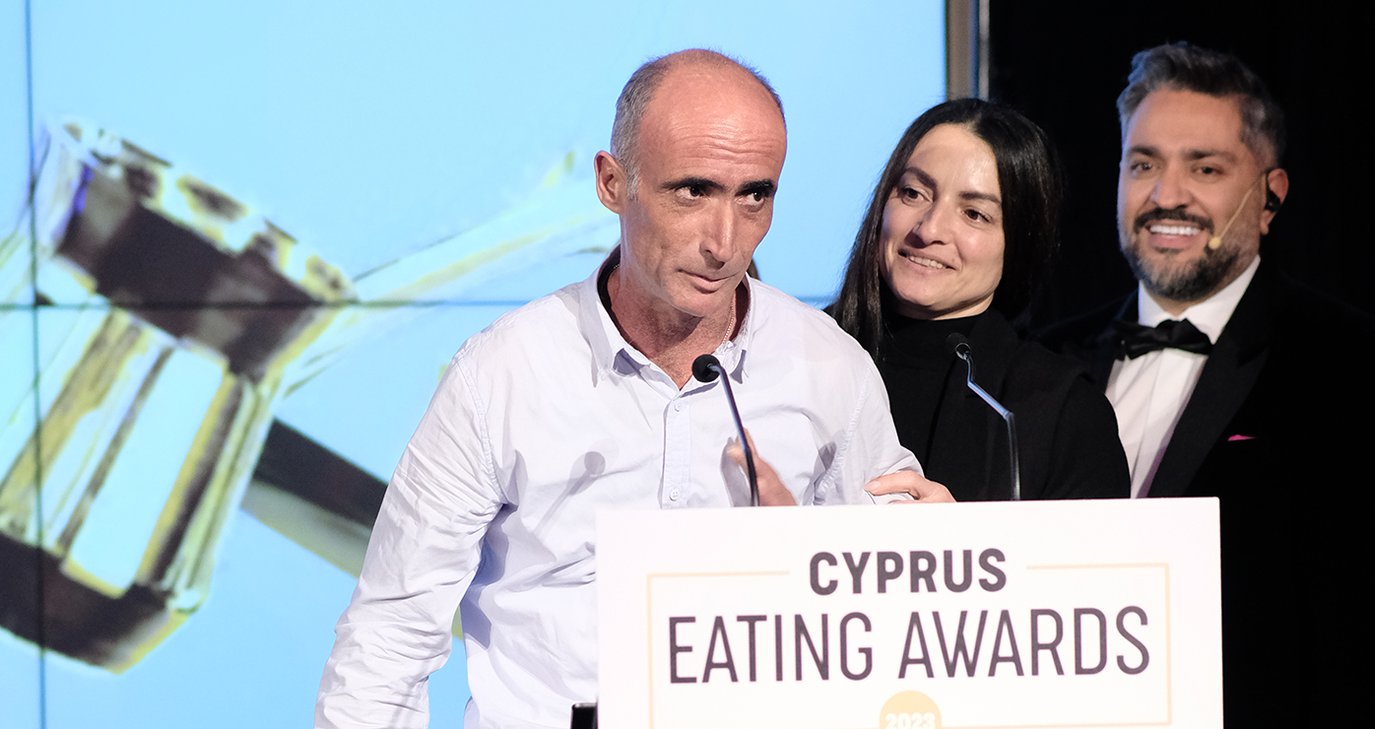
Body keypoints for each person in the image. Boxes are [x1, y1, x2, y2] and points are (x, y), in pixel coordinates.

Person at [315, 49, 949, 729]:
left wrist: (930, 559)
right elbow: (390, 636)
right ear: (612, 183)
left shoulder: (827, 368)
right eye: (693, 191)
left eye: (754, 195)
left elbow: (897, 623)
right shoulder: (501, 374)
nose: (724, 242)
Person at [1038, 42, 1374, 724]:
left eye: (1206, 168)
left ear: (1270, 197)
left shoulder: (1348, 364)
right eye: (1144, 165)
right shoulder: (1041, 360)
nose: (1166, 196)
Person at [830, 98, 1129, 502]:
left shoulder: (1063, 410)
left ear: (1019, 242)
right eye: (914, 193)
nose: (929, 229)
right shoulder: (796, 354)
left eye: (974, 214)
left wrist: (966, 536)